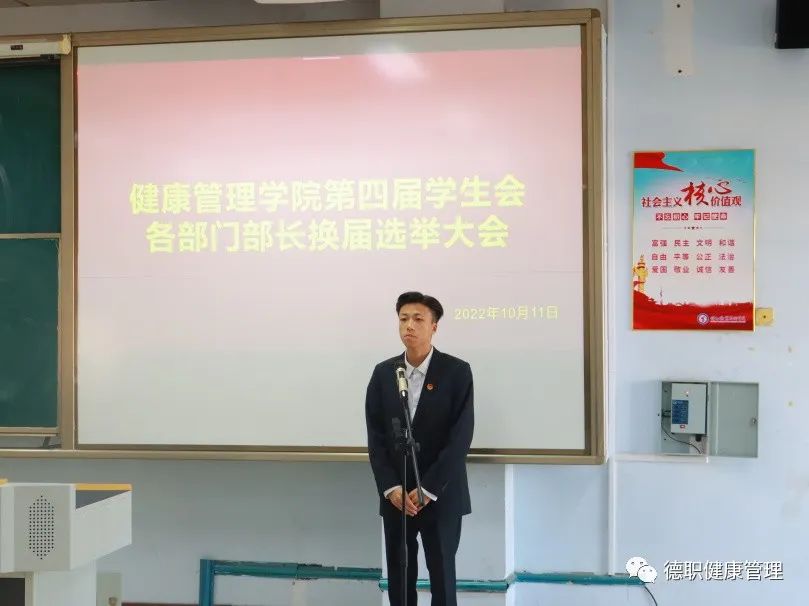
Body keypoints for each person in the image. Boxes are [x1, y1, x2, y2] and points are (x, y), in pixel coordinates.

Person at [365, 291, 474, 606]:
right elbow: (376, 437)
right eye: (403, 319)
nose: (409, 326)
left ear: (434, 326)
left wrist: (428, 488)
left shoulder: (456, 371)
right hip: (397, 497)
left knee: (442, 576)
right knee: (400, 579)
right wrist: (391, 487)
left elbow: (460, 437)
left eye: (417, 319)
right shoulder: (385, 373)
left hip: (441, 493)